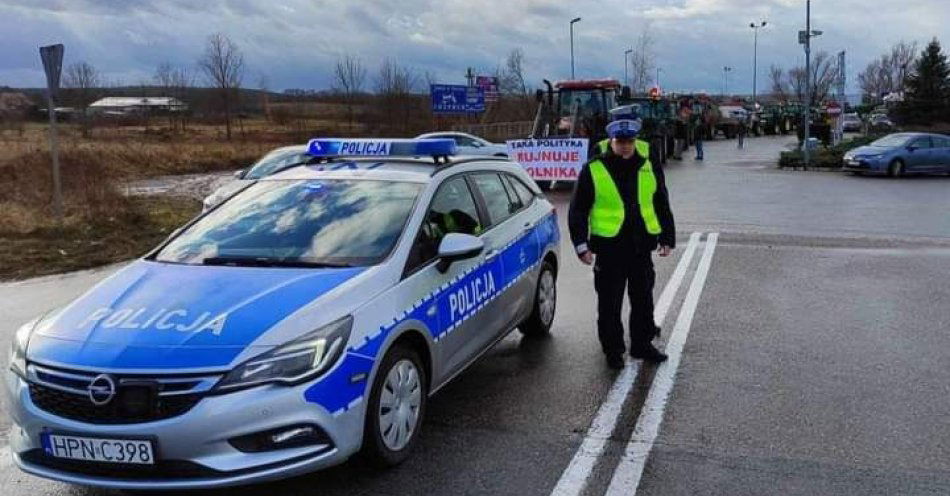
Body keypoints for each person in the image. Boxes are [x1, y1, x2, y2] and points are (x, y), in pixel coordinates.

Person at [568, 106, 676, 369]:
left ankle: (642, 344)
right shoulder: (594, 168)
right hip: (610, 248)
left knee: (643, 300)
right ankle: (613, 350)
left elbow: (660, 199)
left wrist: (667, 236)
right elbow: (578, 209)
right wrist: (581, 244)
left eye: (630, 141)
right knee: (609, 305)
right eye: (621, 141)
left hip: (641, 246)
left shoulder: (648, 161)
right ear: (611, 139)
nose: (626, 146)